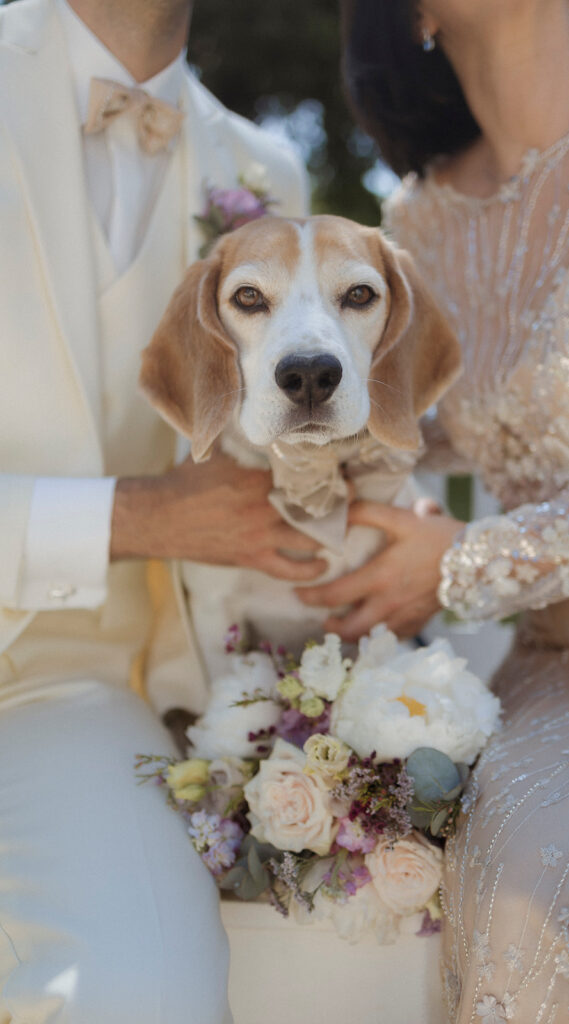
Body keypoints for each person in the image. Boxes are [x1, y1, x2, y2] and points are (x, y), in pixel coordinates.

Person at [298, 0, 569, 1019]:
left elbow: (456, 548)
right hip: (551, 701)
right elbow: (370, 451)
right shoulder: (405, 240)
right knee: (520, 923)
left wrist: (468, 561)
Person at [0, 0, 325, 1019]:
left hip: (70, 694)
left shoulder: (267, 175)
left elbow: (269, 491)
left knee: (139, 991)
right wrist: (136, 518)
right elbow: (173, 509)